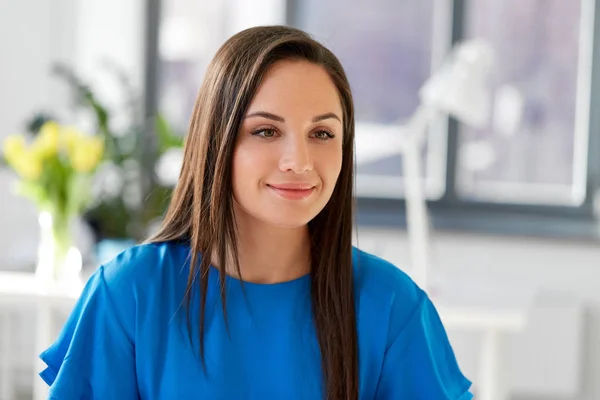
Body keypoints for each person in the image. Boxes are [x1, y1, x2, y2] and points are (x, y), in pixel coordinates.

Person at [39, 25, 473, 399]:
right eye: (266, 130)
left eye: (322, 133)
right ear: (216, 142)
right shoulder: (129, 294)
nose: (299, 160)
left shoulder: (392, 307)